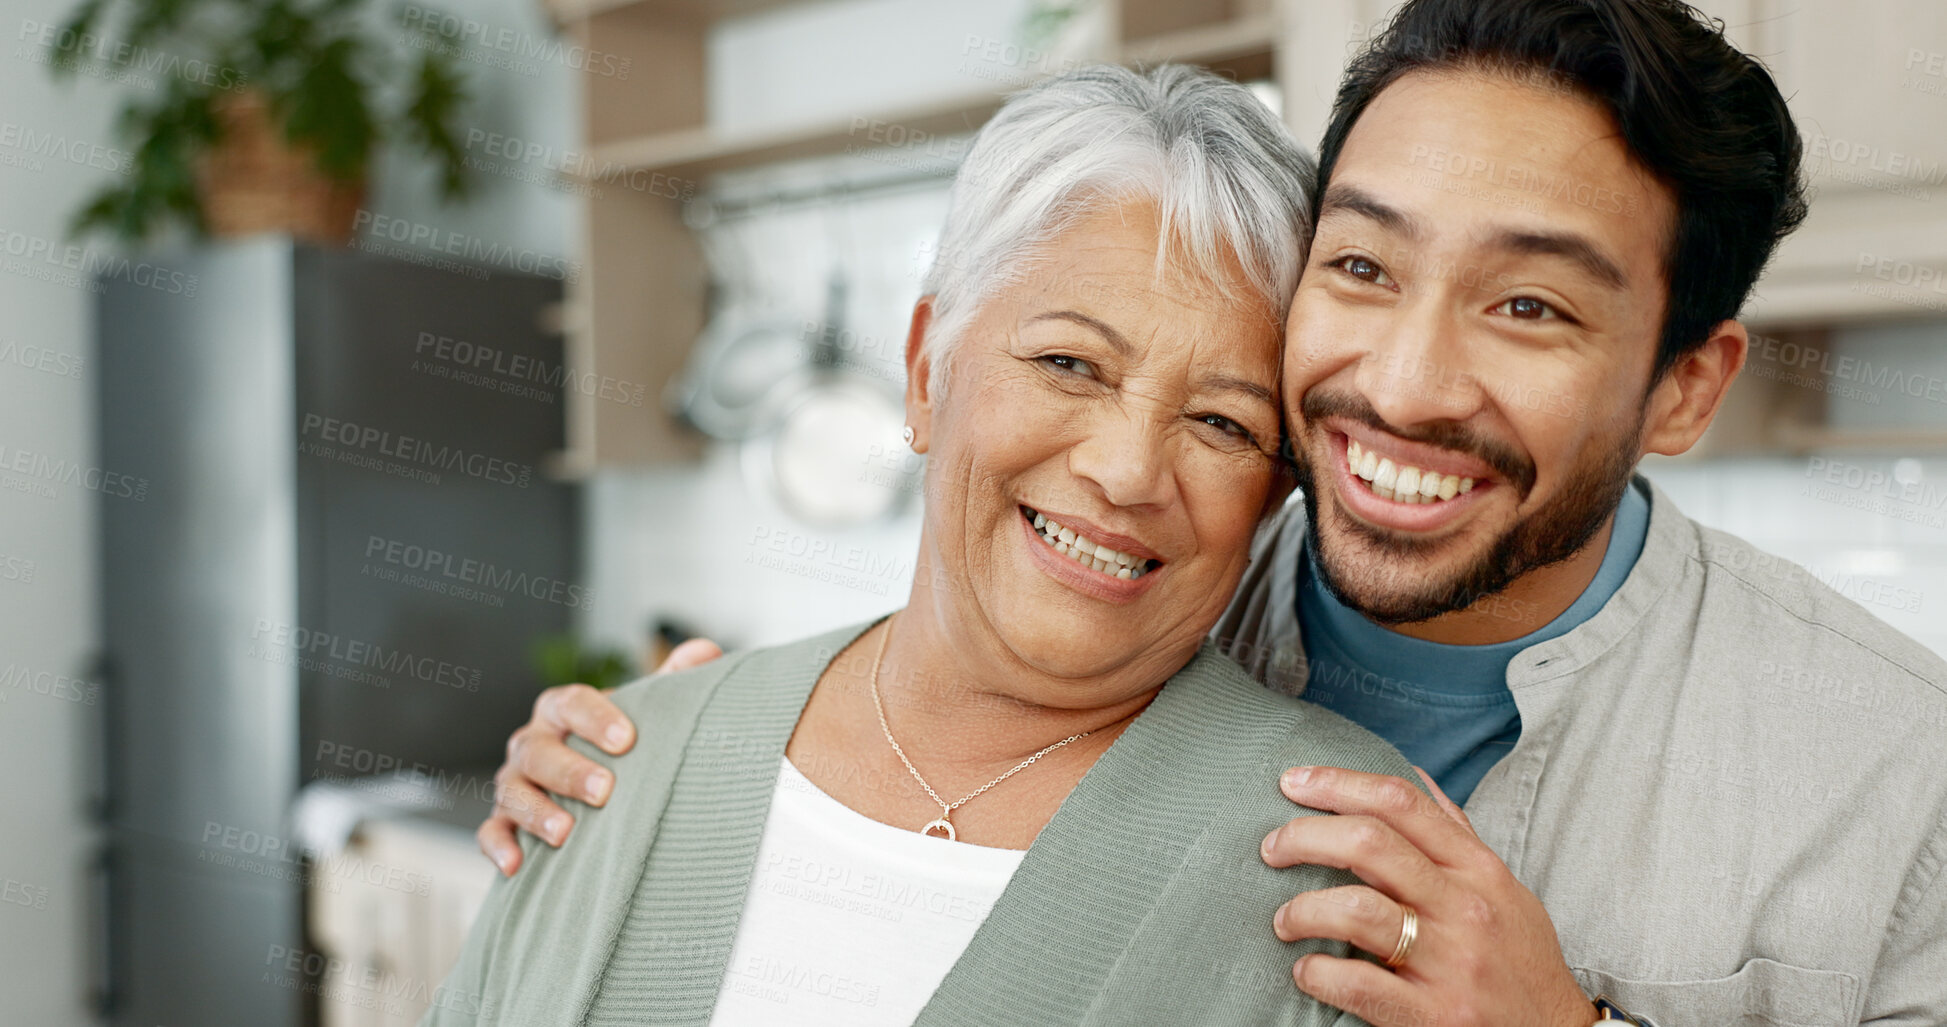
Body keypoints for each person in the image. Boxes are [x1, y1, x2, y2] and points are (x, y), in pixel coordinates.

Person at [484, 2, 1947, 1025]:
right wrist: (698, 761)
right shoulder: (1129, 585)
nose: (1403, 380)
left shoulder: (1892, 778)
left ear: (1684, 388)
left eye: (1527, 303)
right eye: (1363, 267)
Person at [426, 64, 1426, 1026]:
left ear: (1273, 493)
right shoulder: (612, 772)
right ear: (923, 373)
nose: (1127, 471)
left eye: (1222, 424)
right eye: (1070, 363)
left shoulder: (1348, 863)